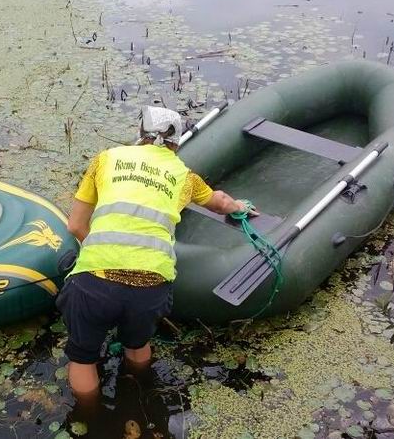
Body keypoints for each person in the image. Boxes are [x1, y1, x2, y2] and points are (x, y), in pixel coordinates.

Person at [56, 106, 257, 400]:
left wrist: (100, 252)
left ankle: (89, 418)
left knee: (83, 357)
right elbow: (220, 201)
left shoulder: (106, 159)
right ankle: (139, 398)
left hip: (95, 282)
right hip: (150, 287)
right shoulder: (184, 176)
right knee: (137, 347)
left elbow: (75, 225)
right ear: (176, 143)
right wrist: (241, 207)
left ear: (140, 134)